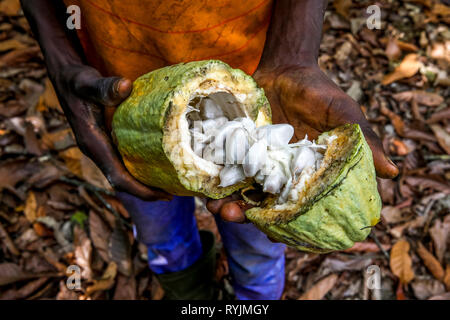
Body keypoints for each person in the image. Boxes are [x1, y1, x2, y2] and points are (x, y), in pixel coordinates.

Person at [21, 0, 398, 300]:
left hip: (260, 70)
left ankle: (253, 299)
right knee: (159, 232)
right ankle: (188, 291)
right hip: (116, 88)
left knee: (257, 246)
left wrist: (293, 55)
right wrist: (60, 57)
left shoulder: (260, 114)